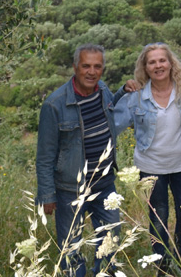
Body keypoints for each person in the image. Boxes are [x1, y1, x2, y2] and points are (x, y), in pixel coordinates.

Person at [36, 44, 123, 277]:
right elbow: (44, 156)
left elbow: (112, 112)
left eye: (97, 66)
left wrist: (124, 90)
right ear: (75, 67)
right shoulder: (55, 105)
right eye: (86, 66)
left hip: (105, 186)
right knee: (71, 249)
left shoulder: (103, 90)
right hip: (70, 191)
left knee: (111, 242)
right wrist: (47, 196)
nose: (91, 72)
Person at [114, 43, 181, 275]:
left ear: (171, 63)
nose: (158, 65)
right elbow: (112, 121)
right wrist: (121, 91)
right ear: (145, 67)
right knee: (158, 217)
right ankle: (162, 264)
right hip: (151, 167)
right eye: (152, 62)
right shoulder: (137, 96)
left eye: (162, 60)